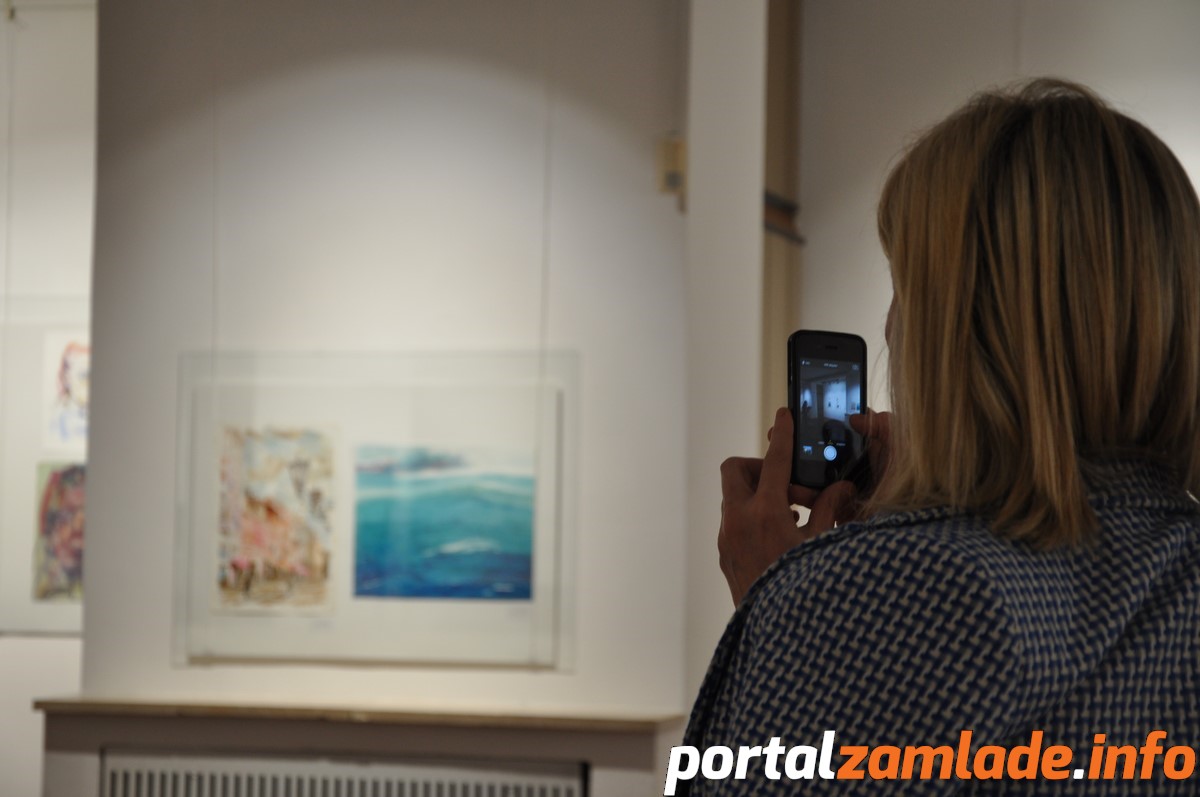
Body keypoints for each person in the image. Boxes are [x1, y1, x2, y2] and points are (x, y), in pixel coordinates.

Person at [681, 79, 1200, 794]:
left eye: (906, 286)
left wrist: (782, 600)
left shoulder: (881, 595)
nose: (891, 323)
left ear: (956, 327)